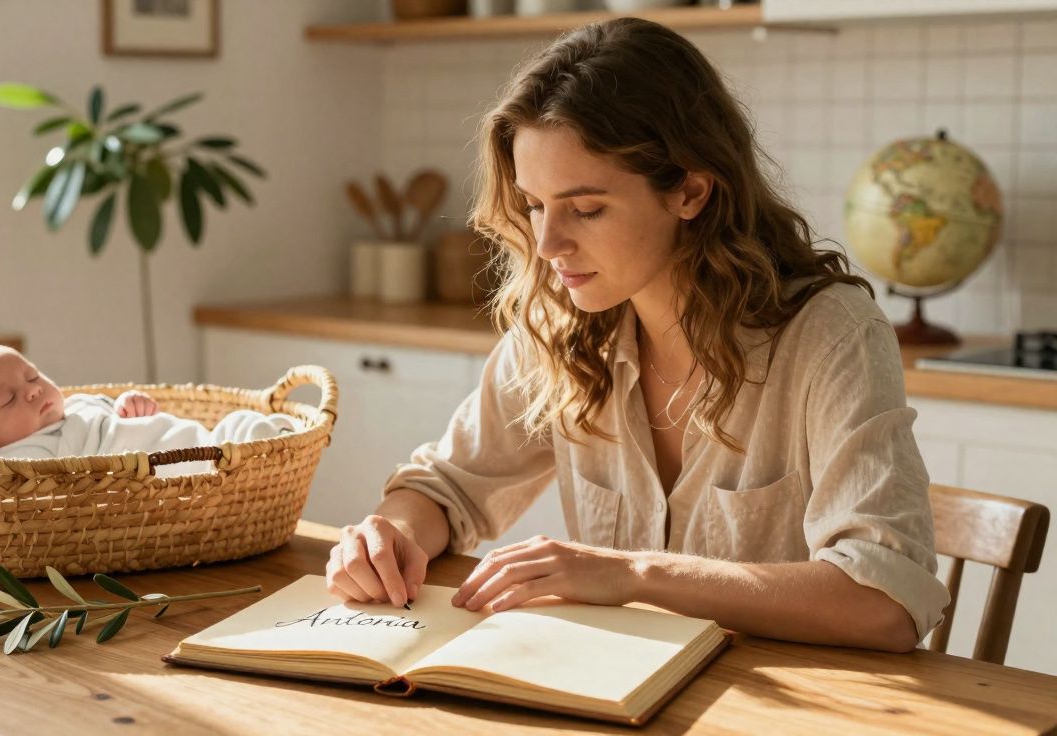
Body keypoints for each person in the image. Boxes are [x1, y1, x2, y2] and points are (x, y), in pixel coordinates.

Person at [325, 17, 949, 653]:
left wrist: (635, 575)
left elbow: (885, 603)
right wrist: (390, 532)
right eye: (535, 205)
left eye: (586, 209)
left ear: (690, 191)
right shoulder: (561, 324)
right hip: (614, 686)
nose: (547, 244)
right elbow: (448, 486)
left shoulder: (830, 334)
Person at [0, 341, 296, 476]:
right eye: (9, 399)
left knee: (240, 425)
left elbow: (113, 413)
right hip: (178, 471)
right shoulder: (24, 458)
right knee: (241, 436)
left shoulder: (75, 405)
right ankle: (273, 443)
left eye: (32, 376)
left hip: (200, 442)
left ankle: (280, 441)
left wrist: (128, 405)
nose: (33, 391)